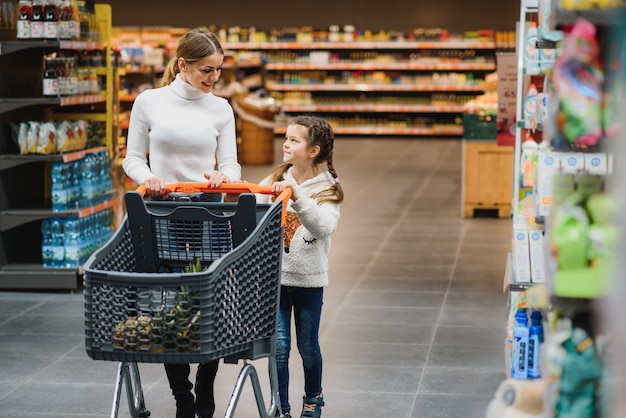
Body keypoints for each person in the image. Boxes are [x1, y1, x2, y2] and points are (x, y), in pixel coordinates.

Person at [122, 27, 241, 418]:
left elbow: (230, 163)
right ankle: (182, 395)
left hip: (207, 211)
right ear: (182, 65)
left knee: (208, 299)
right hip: (161, 209)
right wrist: (147, 177)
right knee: (167, 303)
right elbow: (132, 158)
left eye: (218, 71)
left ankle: (206, 384)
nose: (213, 78)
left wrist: (224, 177)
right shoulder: (149, 101)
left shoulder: (221, 108)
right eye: (207, 70)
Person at [257, 115, 343, 418]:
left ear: (313, 150)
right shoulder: (272, 181)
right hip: (276, 280)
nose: (286, 143)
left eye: (294, 139)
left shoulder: (328, 190)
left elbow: (323, 228)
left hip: (309, 281)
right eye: (286, 137)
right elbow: (252, 213)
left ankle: (313, 397)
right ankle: (281, 407)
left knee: (308, 347)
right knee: (279, 348)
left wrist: (297, 195)